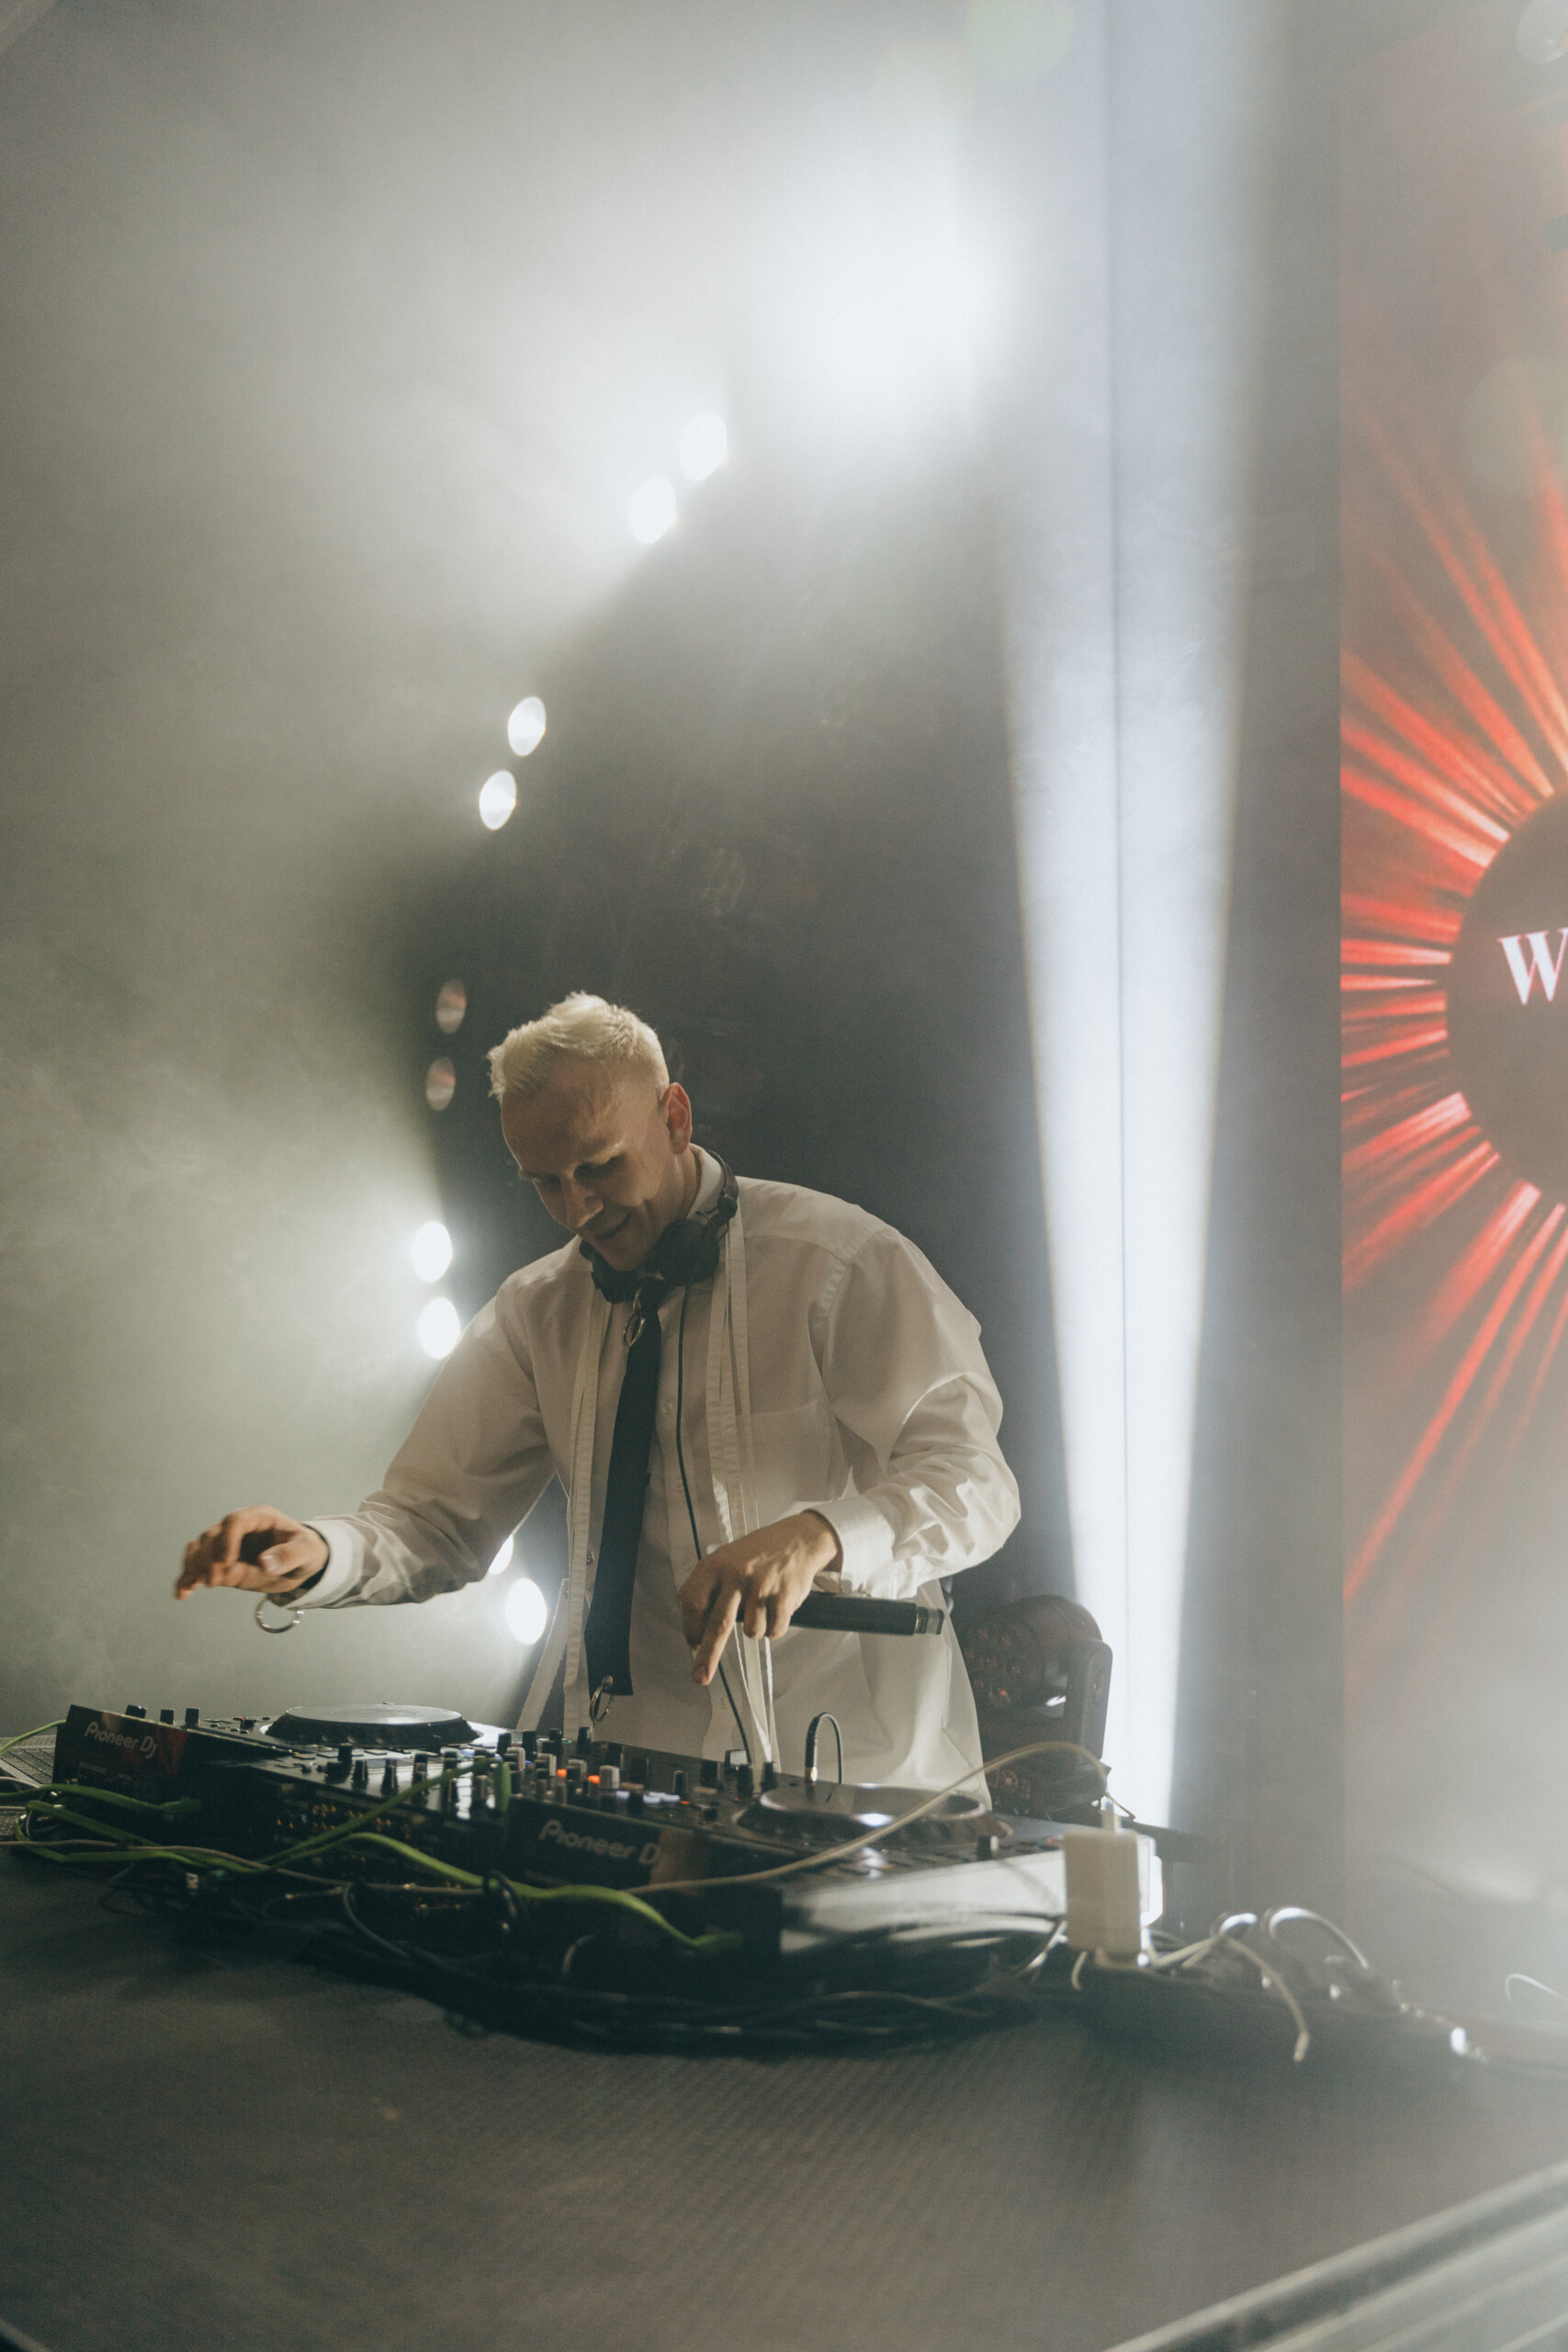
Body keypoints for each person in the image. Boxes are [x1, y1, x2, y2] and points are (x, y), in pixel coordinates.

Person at [175, 994, 1021, 1788]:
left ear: (675, 1117)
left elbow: (976, 1486)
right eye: (545, 1182)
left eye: (600, 1166)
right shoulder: (534, 1312)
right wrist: (318, 1553)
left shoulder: (840, 1263)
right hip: (633, 1775)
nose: (577, 1208)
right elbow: (433, 1523)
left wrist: (819, 1535)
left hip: (856, 1779)